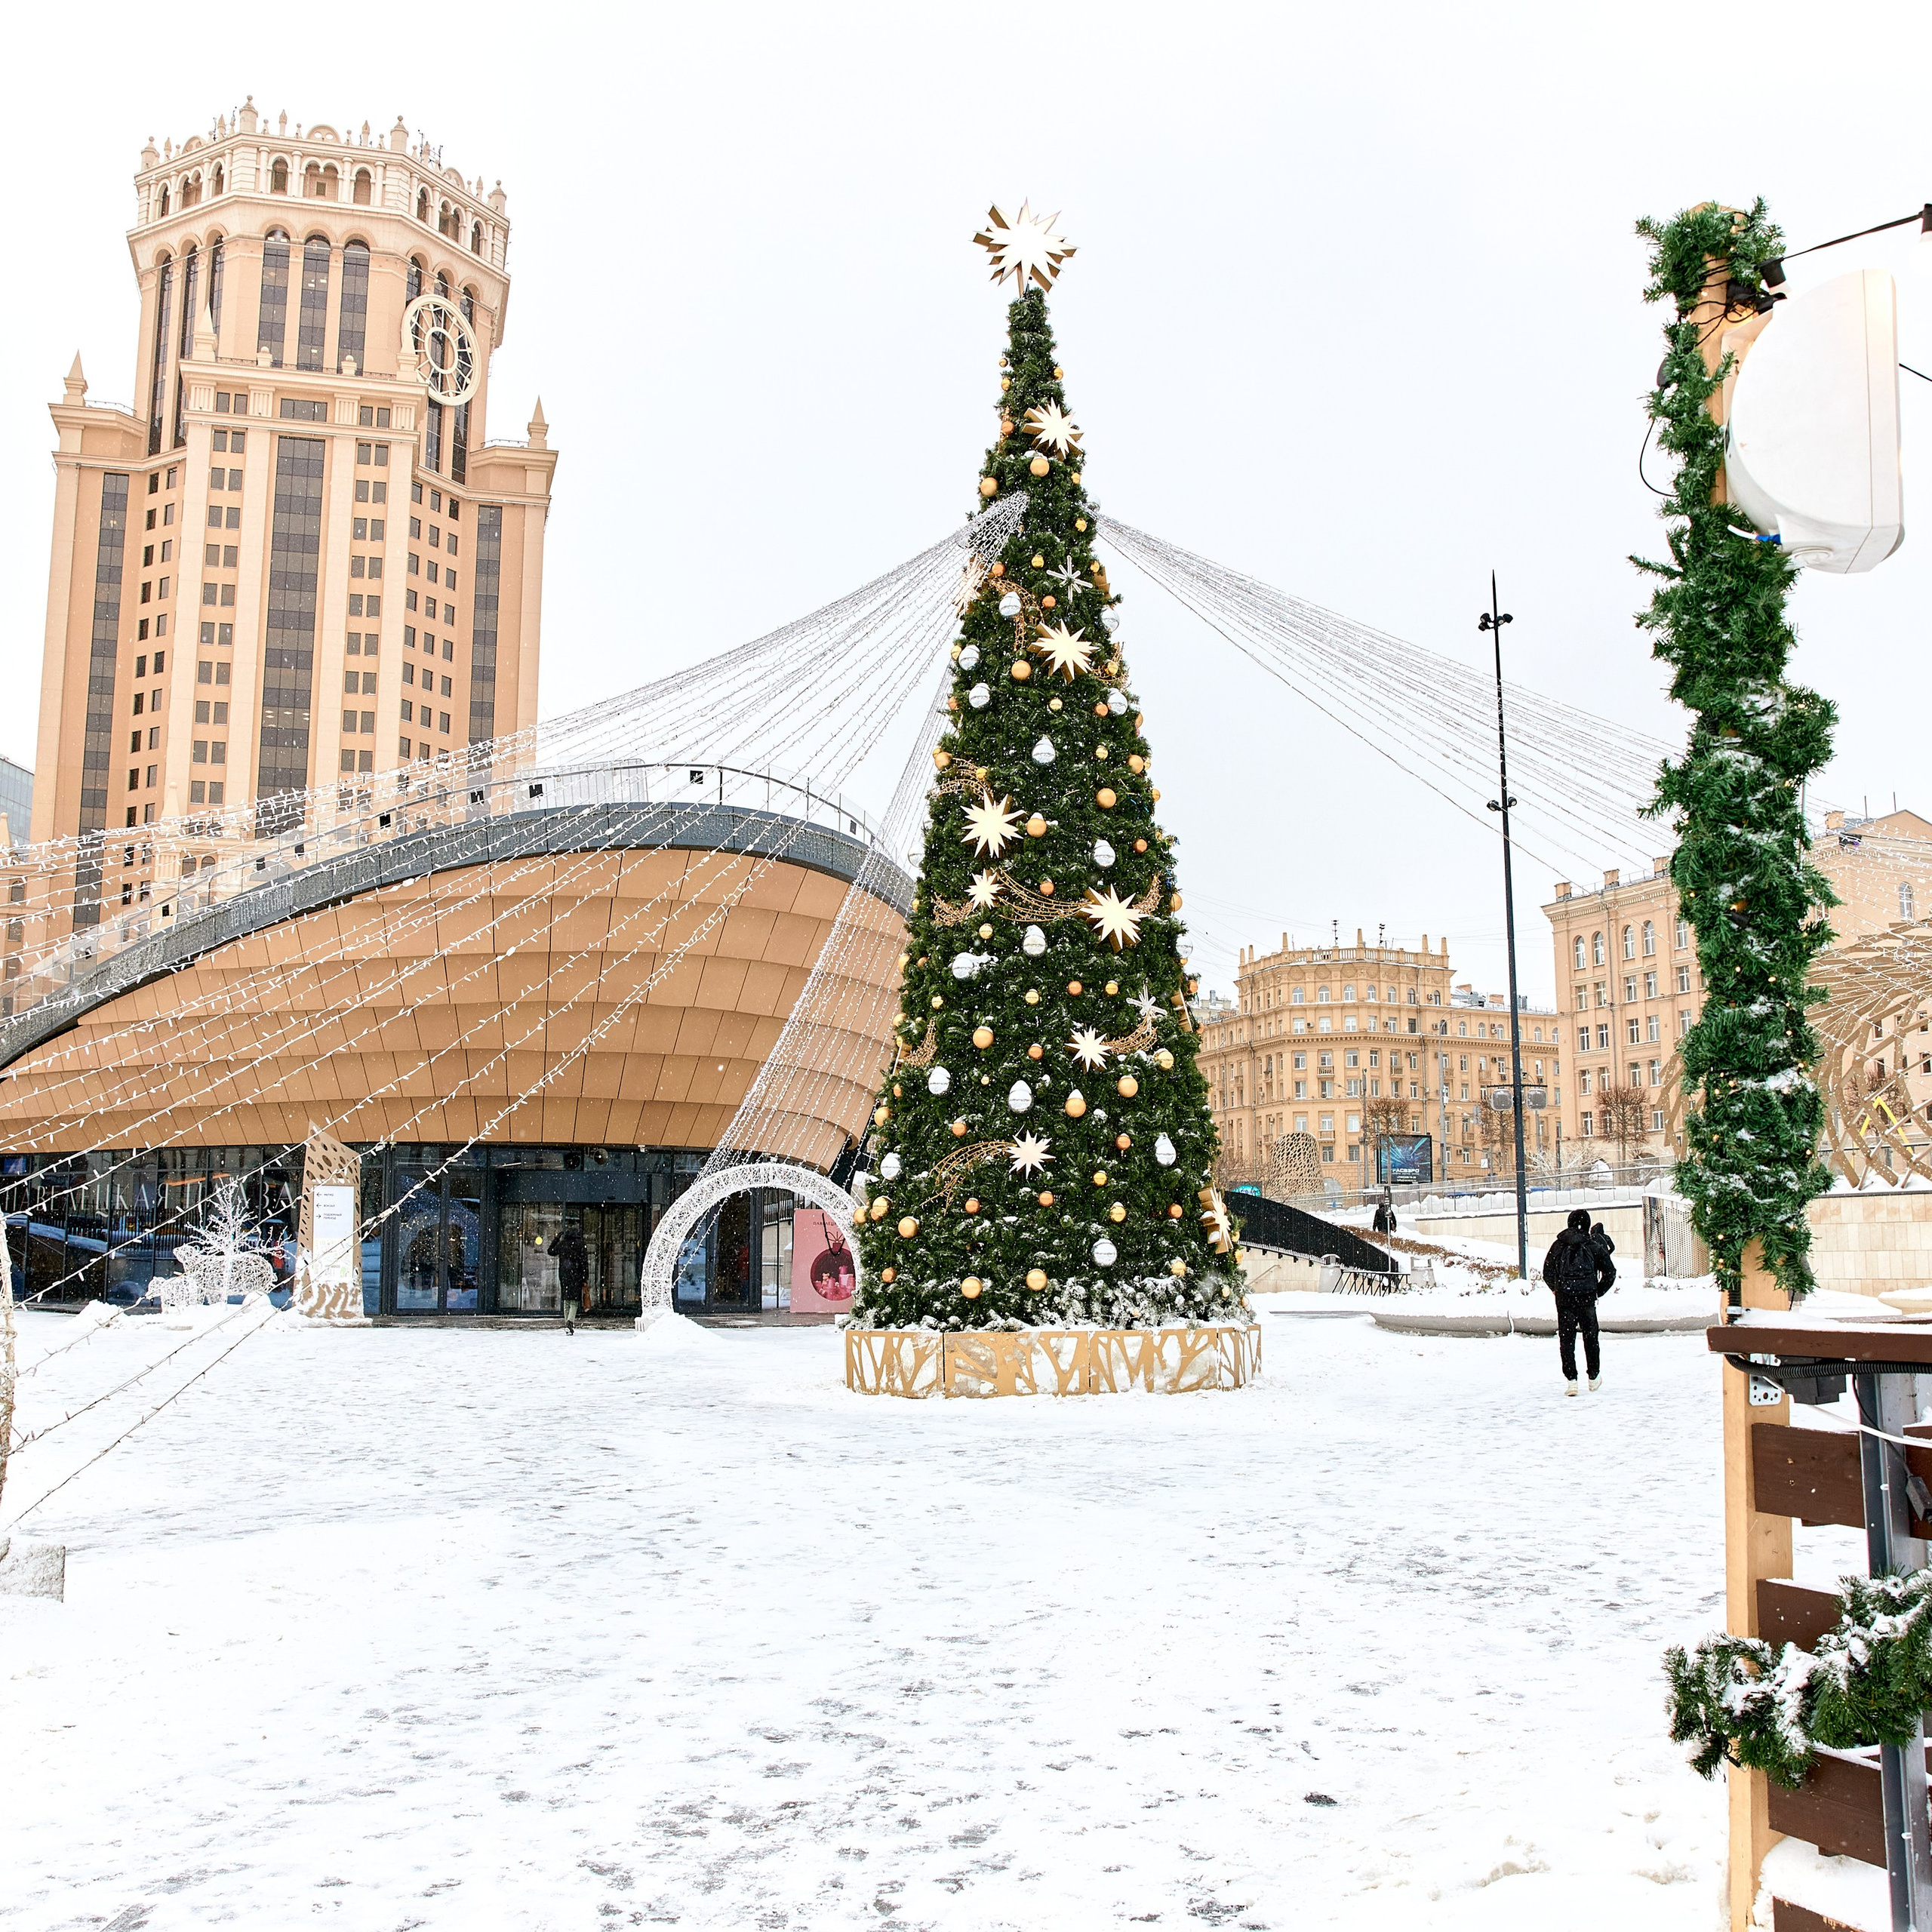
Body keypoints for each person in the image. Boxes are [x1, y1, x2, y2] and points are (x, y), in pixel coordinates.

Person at [1540, 1206, 1615, 1395]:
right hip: (1587, 1298)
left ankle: (1572, 1381)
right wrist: (1597, 1291)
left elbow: (1547, 1272)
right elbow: (1610, 1272)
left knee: (1567, 1340)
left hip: (1565, 1300)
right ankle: (1593, 1377)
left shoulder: (1558, 1245)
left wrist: (1557, 1289)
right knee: (1591, 1338)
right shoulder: (1592, 1244)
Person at [554, 1223, 588, 1335]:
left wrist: (556, 1239)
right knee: (574, 1301)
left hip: (564, 1275)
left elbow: (551, 1251)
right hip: (576, 1275)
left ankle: (567, 1324)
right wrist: (584, 1277)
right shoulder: (581, 1245)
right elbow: (584, 1262)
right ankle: (570, 1323)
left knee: (566, 1300)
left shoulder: (563, 1244)